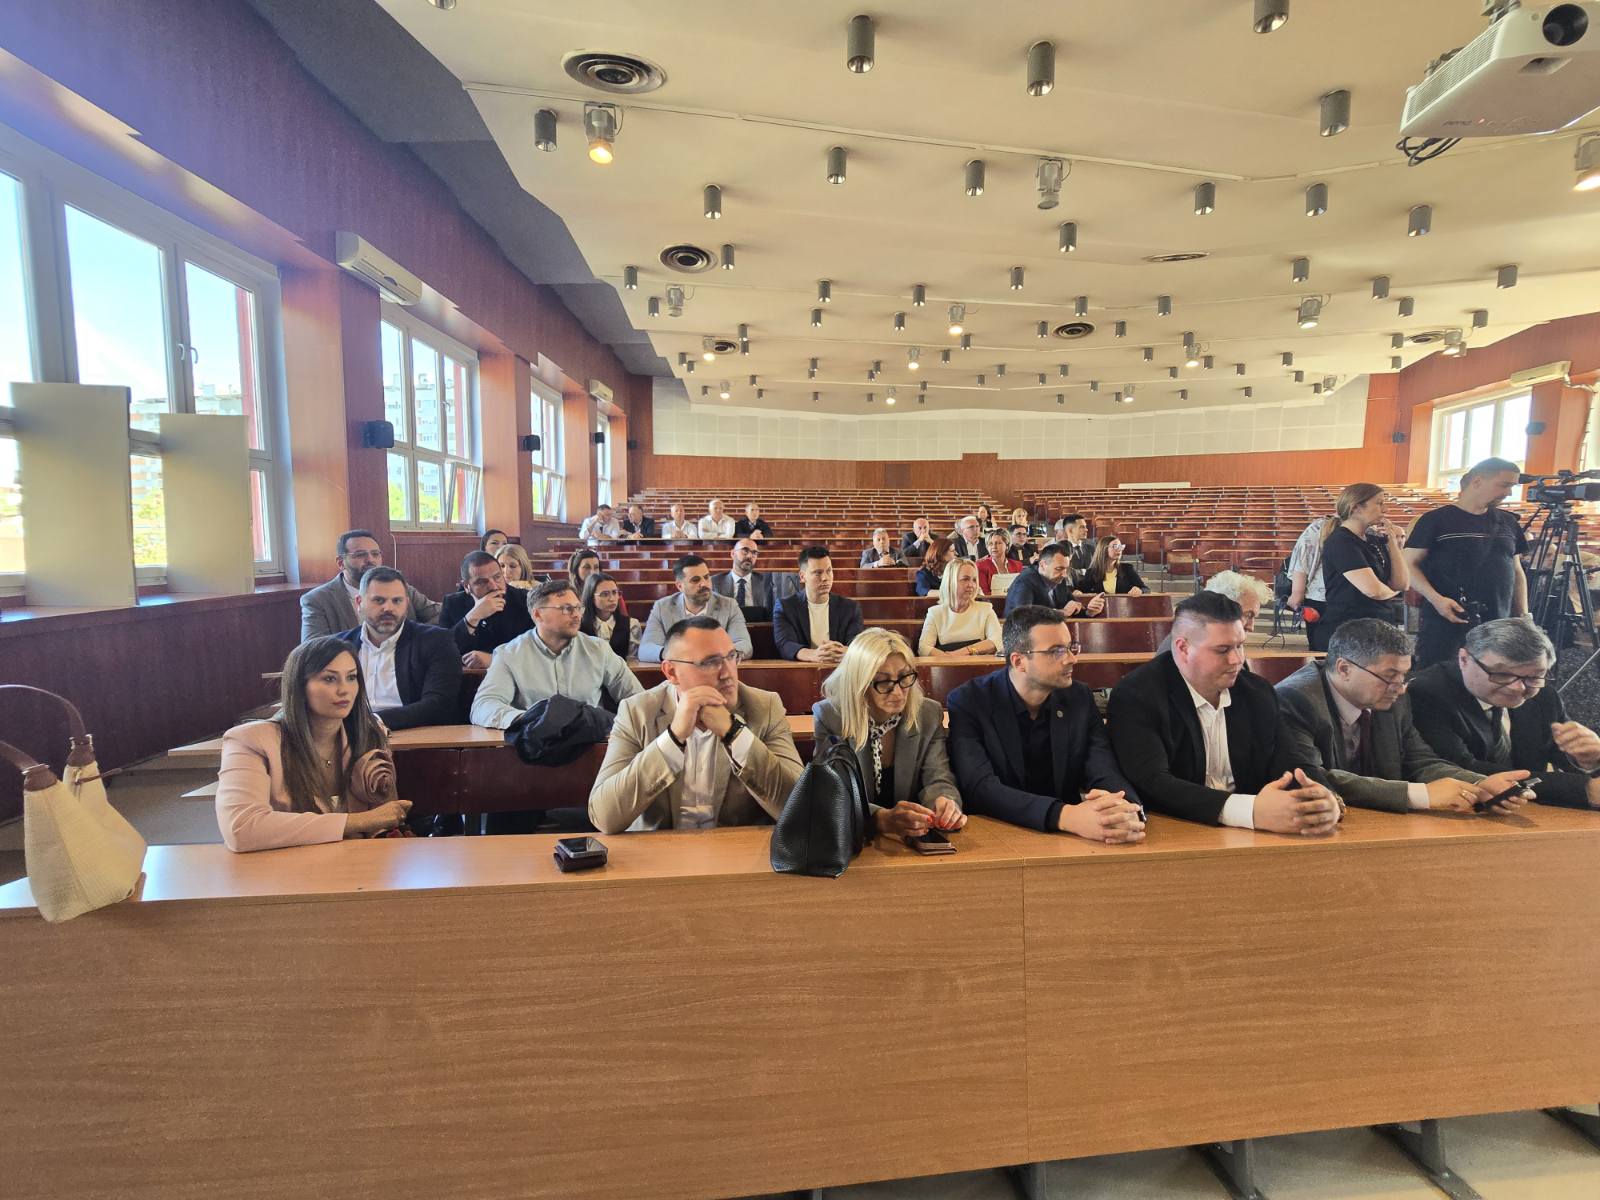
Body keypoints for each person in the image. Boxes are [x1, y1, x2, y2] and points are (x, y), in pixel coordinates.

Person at [1106, 590, 1340, 832]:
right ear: (1183, 648)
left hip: (1253, 831)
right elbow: (1152, 784)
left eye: (1240, 646)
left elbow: (1292, 761)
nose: (1237, 659)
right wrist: (1249, 811)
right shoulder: (1137, 695)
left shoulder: (1257, 692)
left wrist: (1322, 798)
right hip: (1173, 831)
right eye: (1222, 650)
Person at [1275, 619, 1529, 814]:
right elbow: (1316, 778)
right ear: (1344, 668)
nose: (1400, 687)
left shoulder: (1392, 698)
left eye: (1404, 675)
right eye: (1389, 676)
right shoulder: (1295, 699)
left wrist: (1480, 784)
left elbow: (1419, 760)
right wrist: (1420, 794)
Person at [588, 617, 804, 833]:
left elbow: (802, 808)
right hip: (660, 849)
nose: (727, 673)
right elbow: (605, 817)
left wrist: (733, 733)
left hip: (735, 847)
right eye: (709, 662)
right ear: (671, 672)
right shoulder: (638, 712)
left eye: (731, 656)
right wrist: (673, 738)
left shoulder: (765, 707)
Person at [947, 606, 1144, 841]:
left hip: (1068, 836)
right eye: (1056, 651)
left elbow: (1102, 768)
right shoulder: (970, 701)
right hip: (997, 834)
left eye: (1071, 647)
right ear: (1019, 661)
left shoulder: (1079, 697)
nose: (1072, 659)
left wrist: (1126, 807)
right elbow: (980, 787)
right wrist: (1064, 815)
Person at [215, 636, 412, 852]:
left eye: (351, 677)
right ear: (299, 686)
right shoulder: (250, 741)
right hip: (284, 868)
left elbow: (385, 823)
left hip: (358, 864)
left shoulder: (370, 734)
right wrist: (359, 821)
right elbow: (241, 829)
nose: (344, 689)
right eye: (329, 679)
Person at [1410, 618, 1600, 809]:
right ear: (1464, 659)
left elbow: (1565, 757)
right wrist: (1583, 789)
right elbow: (1460, 768)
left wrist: (1590, 759)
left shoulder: (1543, 695)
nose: (1518, 687)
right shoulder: (1427, 693)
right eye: (1502, 675)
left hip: (1530, 813)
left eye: (1533, 676)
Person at [814, 628, 965, 838]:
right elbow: (833, 795)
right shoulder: (831, 717)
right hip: (856, 838)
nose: (898, 691)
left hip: (912, 836)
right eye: (884, 681)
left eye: (904, 677)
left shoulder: (928, 714)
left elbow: (938, 777)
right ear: (859, 683)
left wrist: (944, 801)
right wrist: (881, 819)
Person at [1404, 457, 1530, 668]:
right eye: (1504, 485)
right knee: (1439, 678)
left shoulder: (1509, 521)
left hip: (1497, 623)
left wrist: (1524, 615)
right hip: (1447, 621)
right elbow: (1408, 564)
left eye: (1512, 486)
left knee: (1493, 676)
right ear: (1477, 481)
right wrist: (1436, 599)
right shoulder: (1435, 520)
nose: (1509, 492)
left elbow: (1516, 570)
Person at [471, 579, 643, 728]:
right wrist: (532, 719)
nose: (576, 615)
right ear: (538, 614)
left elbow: (638, 698)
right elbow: (483, 706)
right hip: (536, 744)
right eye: (566, 609)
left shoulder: (598, 649)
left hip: (591, 742)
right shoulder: (509, 654)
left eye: (578, 608)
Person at [333, 567, 463, 731]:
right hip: (347, 735)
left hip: (411, 735)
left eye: (396, 601)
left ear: (407, 604)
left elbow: (439, 703)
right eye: (379, 600)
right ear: (359, 603)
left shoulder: (436, 641)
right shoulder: (338, 646)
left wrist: (374, 721)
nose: (388, 608)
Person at [1313, 484, 1408, 651]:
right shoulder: (1341, 541)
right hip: (1350, 633)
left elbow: (1402, 583)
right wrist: (1393, 594)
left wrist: (1393, 543)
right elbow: (1373, 590)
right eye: (1379, 503)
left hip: (1378, 627)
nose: (1385, 509)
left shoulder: (1374, 540)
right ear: (1356, 508)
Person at [299, 529, 440, 641]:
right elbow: (312, 647)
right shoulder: (317, 600)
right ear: (341, 563)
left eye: (375, 554)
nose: (370, 560)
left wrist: (412, 640)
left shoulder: (399, 588)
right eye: (360, 555)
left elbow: (439, 613)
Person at [637, 555, 753, 663]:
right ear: (680, 586)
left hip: (717, 668)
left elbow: (744, 644)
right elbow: (646, 649)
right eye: (695, 580)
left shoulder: (729, 606)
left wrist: (719, 656)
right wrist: (679, 655)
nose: (704, 584)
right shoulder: (662, 607)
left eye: (706, 577)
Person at [438, 551, 535, 668]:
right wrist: (473, 617)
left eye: (497, 577)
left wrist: (496, 658)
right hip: (467, 677)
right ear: (467, 586)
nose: (493, 586)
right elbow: (441, 651)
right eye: (482, 582)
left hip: (515, 675)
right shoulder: (453, 604)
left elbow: (537, 650)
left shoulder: (526, 600)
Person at [773, 546, 865, 663]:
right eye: (818, 573)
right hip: (802, 668)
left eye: (829, 571)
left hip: (840, 668)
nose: (825, 578)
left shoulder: (850, 608)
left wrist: (845, 652)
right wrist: (813, 655)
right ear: (802, 576)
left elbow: (857, 643)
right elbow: (785, 644)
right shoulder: (785, 607)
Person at [1155, 570, 1270, 658]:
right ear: (1221, 605)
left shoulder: (1222, 642)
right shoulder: (1192, 646)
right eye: (1247, 615)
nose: (1251, 627)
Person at [919, 558, 1002, 656]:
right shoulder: (935, 613)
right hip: (946, 664)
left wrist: (963, 652)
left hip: (979, 664)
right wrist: (949, 659)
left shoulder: (985, 609)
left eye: (974, 580)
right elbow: (923, 648)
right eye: (965, 579)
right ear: (950, 581)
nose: (971, 585)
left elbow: (998, 640)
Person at [1005, 544, 1101, 617]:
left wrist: (1088, 612)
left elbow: (1072, 606)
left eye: (1066, 569)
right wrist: (1062, 612)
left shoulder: (1058, 578)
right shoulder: (1025, 581)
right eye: (1059, 569)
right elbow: (1022, 615)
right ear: (1042, 565)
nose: (1064, 574)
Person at [714, 537, 784, 623]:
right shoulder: (716, 582)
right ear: (732, 553)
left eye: (754, 553)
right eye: (745, 551)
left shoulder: (766, 582)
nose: (749, 556)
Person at [579, 572, 643, 661]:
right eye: (605, 594)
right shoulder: (579, 625)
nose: (612, 599)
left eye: (615, 592)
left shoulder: (631, 625)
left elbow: (633, 661)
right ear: (591, 597)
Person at [1286, 515, 1338, 614]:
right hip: (1353, 601)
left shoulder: (1316, 528)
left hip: (1318, 602)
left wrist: (1295, 598)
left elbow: (1301, 564)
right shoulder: (1364, 530)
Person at [1078, 535, 1148, 596]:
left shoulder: (1127, 568)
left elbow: (1145, 589)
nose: (1119, 549)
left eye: (1121, 546)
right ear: (1104, 549)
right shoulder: (1092, 572)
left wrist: (1139, 590)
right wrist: (1078, 592)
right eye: (1116, 546)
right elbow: (1082, 591)